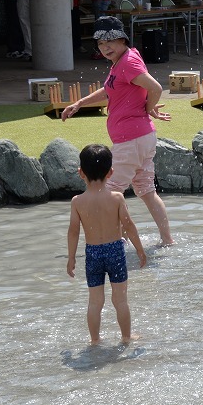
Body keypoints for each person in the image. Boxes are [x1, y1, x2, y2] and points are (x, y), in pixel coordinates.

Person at [60, 16, 174, 245]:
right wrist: (80, 103)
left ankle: (117, 242)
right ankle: (167, 241)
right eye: (100, 44)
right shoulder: (123, 61)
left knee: (108, 192)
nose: (105, 48)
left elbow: (156, 87)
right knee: (147, 192)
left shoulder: (128, 63)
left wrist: (148, 108)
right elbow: (110, 89)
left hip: (130, 141)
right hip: (141, 138)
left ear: (123, 39)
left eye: (110, 41)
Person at [66, 143, 147, 345]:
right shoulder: (117, 198)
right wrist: (139, 250)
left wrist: (71, 258)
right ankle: (126, 337)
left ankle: (94, 340)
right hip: (115, 251)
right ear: (110, 172)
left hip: (92, 253)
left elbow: (74, 231)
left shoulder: (77, 201)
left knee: (95, 301)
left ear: (80, 172)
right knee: (120, 300)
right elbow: (128, 225)